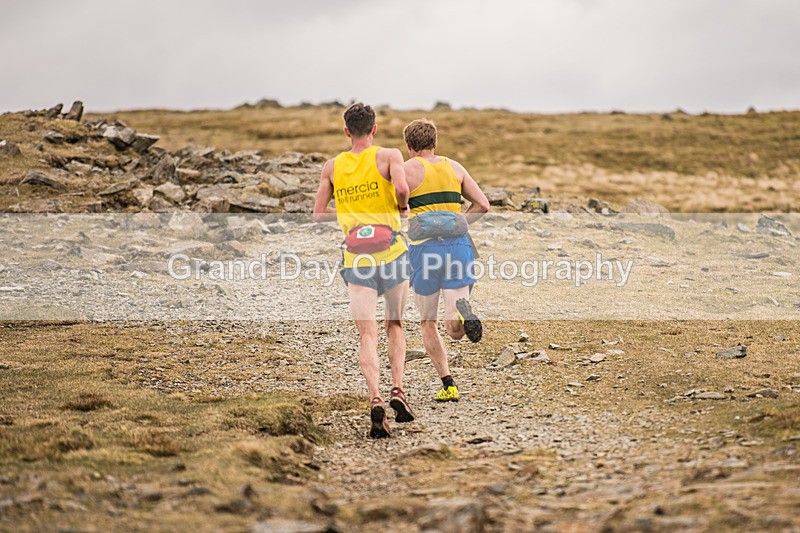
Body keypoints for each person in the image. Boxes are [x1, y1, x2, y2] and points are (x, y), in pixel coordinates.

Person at [313, 103, 415, 439]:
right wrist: (401, 208)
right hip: (392, 252)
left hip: (357, 256)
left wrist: (348, 220)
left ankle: (375, 397)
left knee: (366, 333)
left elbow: (318, 213)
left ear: (346, 131)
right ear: (374, 129)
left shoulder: (333, 166)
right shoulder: (388, 155)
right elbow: (401, 188)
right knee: (395, 324)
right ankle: (398, 389)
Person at [403, 118, 490, 402]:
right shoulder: (455, 167)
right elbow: (483, 205)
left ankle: (448, 383)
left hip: (424, 250)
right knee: (454, 329)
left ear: (409, 146)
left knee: (427, 321)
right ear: (435, 143)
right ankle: (462, 312)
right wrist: (457, 224)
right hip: (458, 248)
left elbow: (391, 208)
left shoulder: (406, 171)